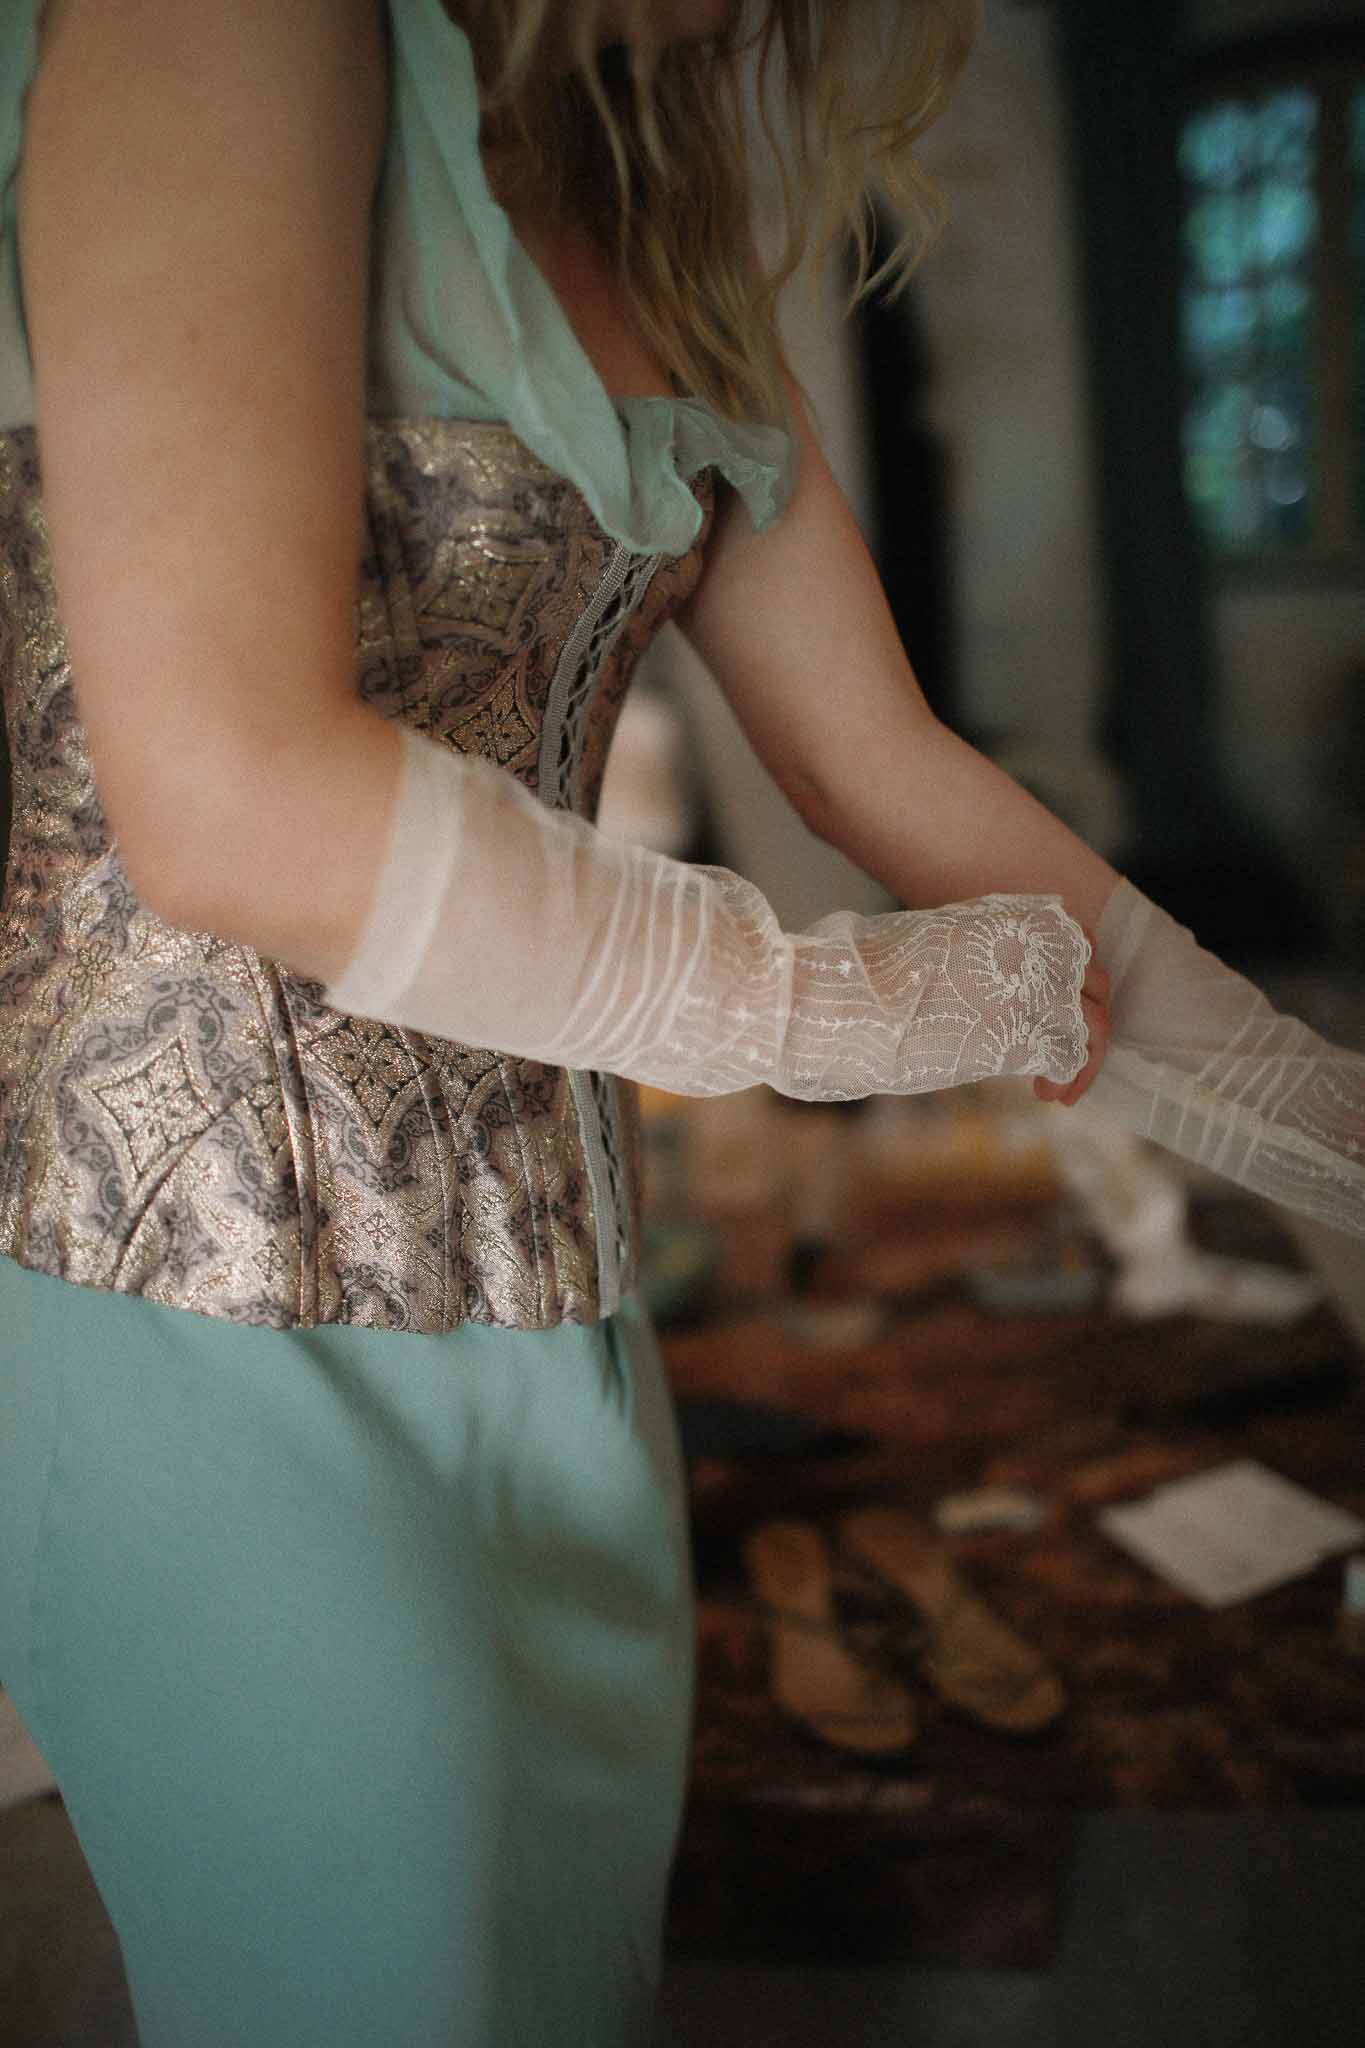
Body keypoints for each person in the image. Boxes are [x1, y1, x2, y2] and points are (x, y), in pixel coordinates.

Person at [0, 4, 1361, 2046]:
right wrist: (831, 1007)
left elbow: (881, 763)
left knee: (560, 1985)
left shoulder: (662, 210)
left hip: (561, 1304)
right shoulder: (229, 26)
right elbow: (227, 799)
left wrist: (1321, 1120)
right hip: (211, 1306)